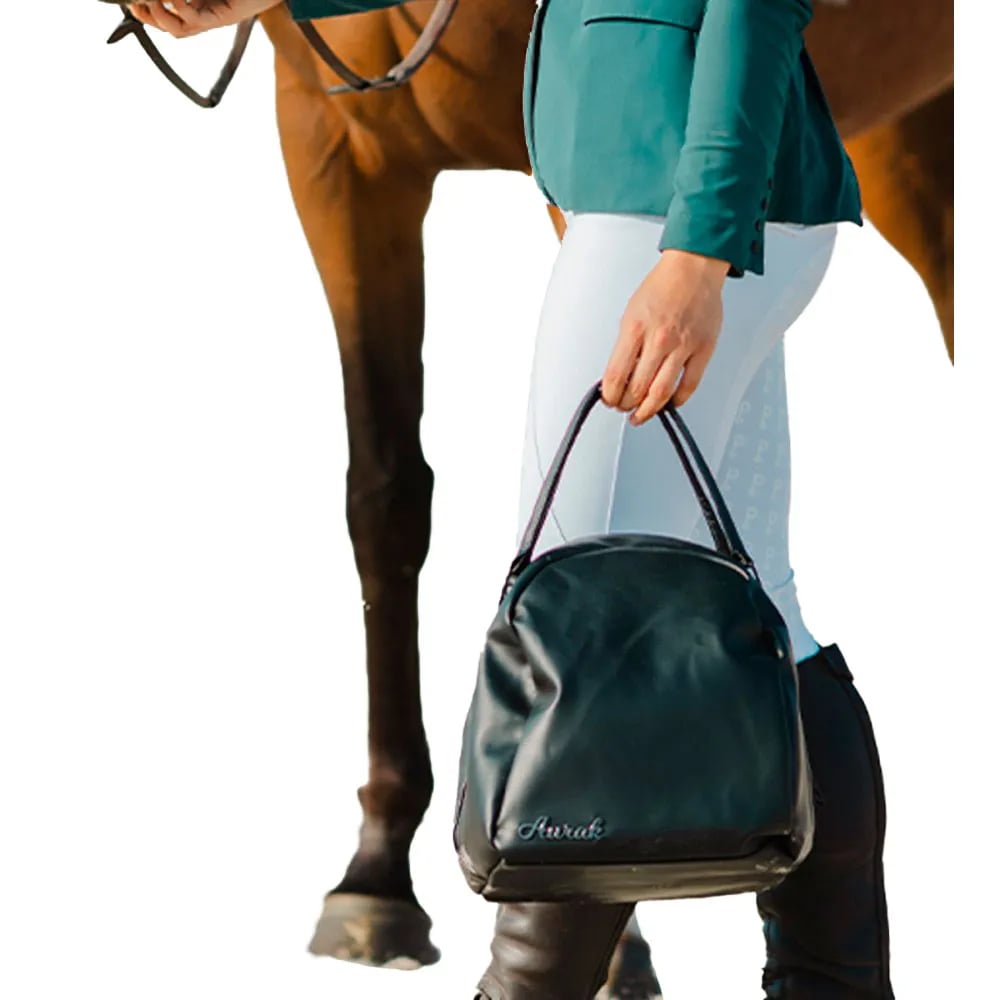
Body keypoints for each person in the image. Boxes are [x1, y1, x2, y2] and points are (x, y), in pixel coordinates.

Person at [128, 2, 895, 997]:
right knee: (771, 617)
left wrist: (696, 249)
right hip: (673, 193)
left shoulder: (676, 231)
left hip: (665, 206)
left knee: (579, 640)